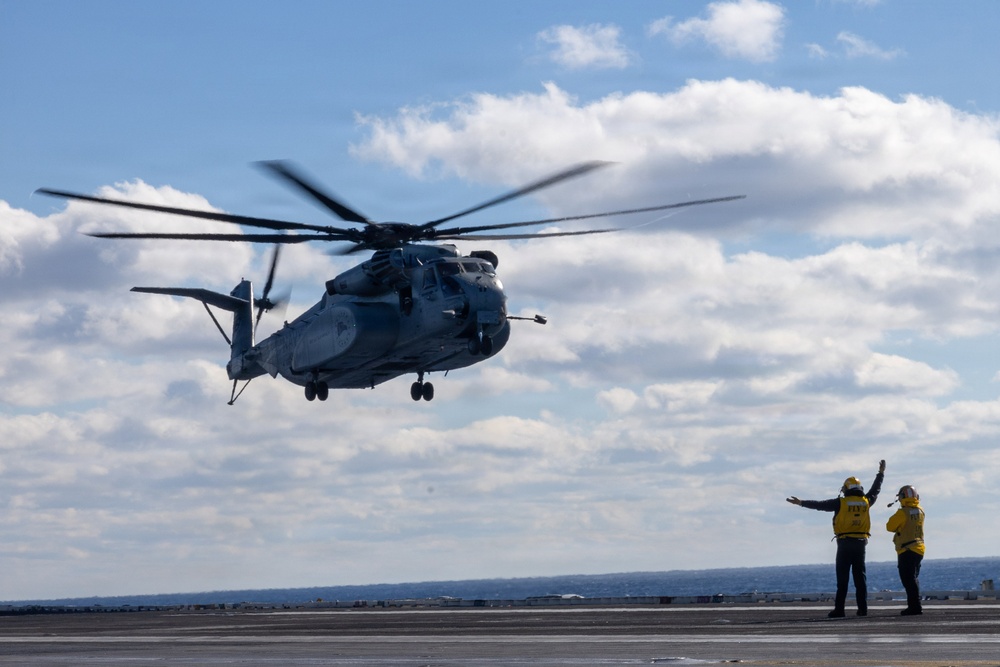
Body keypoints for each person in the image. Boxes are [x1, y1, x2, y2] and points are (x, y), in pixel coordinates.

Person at [786, 460, 885, 617]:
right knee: (860, 579)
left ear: (846, 489)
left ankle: (840, 609)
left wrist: (801, 503)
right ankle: (863, 609)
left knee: (843, 579)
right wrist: (881, 473)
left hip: (844, 544)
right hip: (860, 544)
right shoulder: (866, 501)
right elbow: (875, 490)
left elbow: (820, 505)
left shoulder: (841, 502)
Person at [886, 485, 925, 616]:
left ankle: (915, 607)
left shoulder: (902, 513)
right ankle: (915, 605)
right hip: (919, 549)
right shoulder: (920, 511)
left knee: (908, 580)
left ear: (902, 497)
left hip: (906, 549)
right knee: (913, 579)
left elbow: (889, 526)